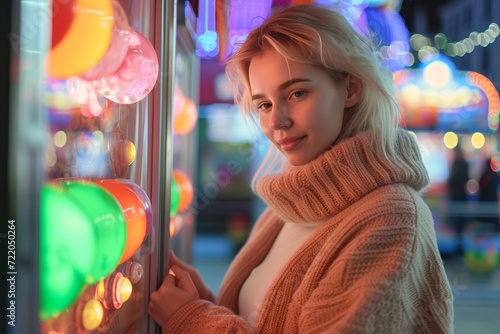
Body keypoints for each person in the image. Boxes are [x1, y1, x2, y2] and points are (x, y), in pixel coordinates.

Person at [149, 4, 453, 333]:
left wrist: (194, 319)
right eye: (263, 104)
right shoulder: (289, 205)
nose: (276, 121)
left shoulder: (393, 218)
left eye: (296, 93)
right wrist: (205, 301)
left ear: (350, 89)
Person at [447, 145, 470, 252]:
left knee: (459, 222)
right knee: (457, 223)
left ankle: (459, 247)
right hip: (458, 196)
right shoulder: (459, 164)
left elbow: (455, 179)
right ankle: (458, 246)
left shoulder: (460, 164)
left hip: (458, 196)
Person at [477, 156, 499, 232]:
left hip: (486, 202)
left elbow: (480, 185)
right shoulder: (494, 175)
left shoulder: (486, 175)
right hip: (491, 202)